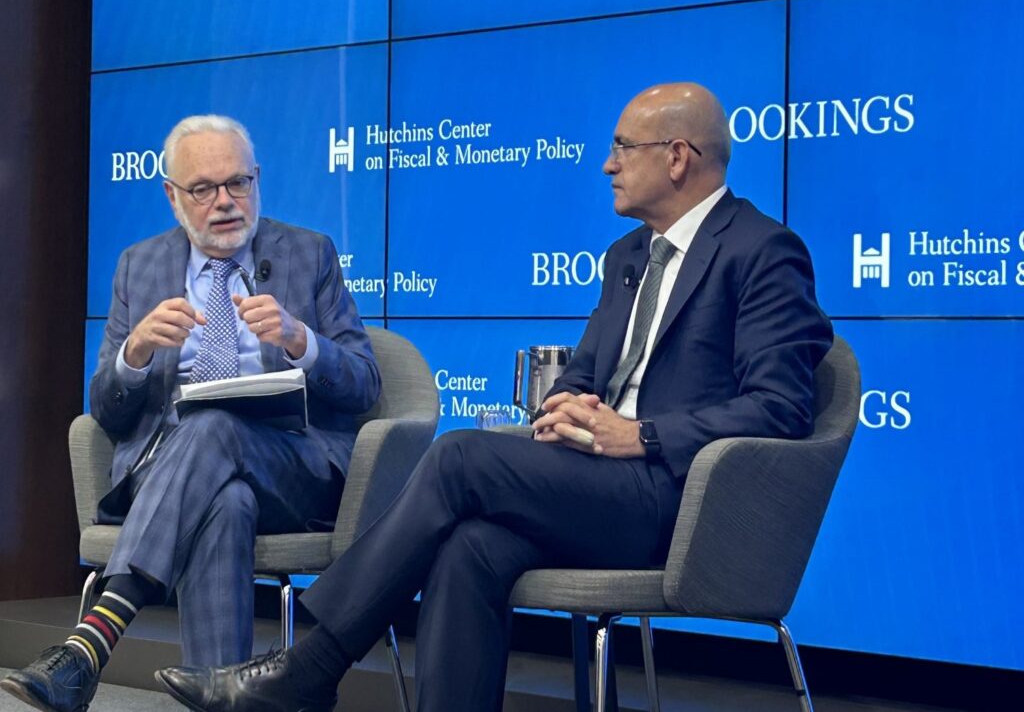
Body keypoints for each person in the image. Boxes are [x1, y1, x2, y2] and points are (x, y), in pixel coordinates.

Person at [153, 81, 833, 712]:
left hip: (677, 501)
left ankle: (311, 666)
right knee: (470, 546)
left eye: (624, 147)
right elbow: (584, 374)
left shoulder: (762, 251)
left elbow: (780, 407)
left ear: (678, 156)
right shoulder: (628, 257)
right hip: (595, 486)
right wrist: (565, 407)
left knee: (458, 457)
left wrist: (641, 434)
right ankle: (317, 676)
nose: (608, 165)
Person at [0, 115, 380, 712]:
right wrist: (134, 352)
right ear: (172, 196)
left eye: (238, 183)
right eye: (203, 188)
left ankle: (93, 639)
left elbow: (365, 384)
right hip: (170, 471)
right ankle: (224, 696)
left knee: (215, 425)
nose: (225, 202)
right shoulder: (140, 265)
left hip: (292, 468)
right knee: (226, 500)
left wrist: (300, 339)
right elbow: (105, 410)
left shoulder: (310, 254)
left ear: (257, 180)